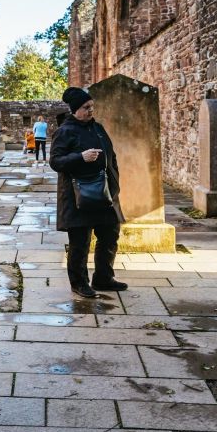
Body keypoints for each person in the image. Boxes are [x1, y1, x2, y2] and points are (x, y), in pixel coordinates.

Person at [49, 87, 128, 298]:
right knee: (80, 242)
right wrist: (80, 157)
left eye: (92, 106)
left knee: (110, 234)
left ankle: (103, 278)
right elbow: (55, 162)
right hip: (78, 196)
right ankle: (79, 283)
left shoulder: (98, 128)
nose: (91, 110)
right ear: (75, 110)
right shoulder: (65, 131)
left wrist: (115, 184)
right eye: (86, 107)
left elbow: (111, 157)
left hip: (104, 194)